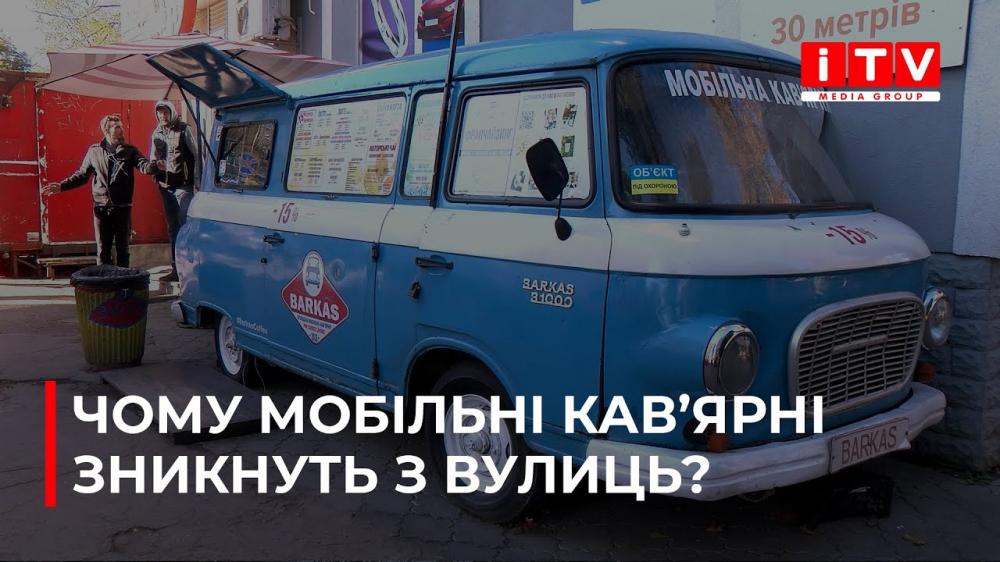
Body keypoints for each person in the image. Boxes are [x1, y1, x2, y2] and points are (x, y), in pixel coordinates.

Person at [43, 114, 162, 268]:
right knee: (103, 251)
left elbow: (143, 165)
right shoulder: (94, 151)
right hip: (101, 208)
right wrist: (61, 186)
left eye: (121, 126)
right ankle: (104, 280)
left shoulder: (130, 151)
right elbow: (82, 175)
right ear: (106, 130)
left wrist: (154, 167)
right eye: (117, 127)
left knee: (123, 250)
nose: (122, 130)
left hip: (123, 208)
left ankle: (123, 280)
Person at [149, 100, 198, 281]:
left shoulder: (184, 129)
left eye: (165, 112)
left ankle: (190, 270)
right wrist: (155, 165)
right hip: (165, 187)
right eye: (159, 113)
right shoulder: (156, 133)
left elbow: (197, 155)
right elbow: (152, 157)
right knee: (173, 229)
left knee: (186, 227)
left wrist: (198, 182)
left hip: (183, 186)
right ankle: (176, 270)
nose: (162, 116)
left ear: (172, 112)